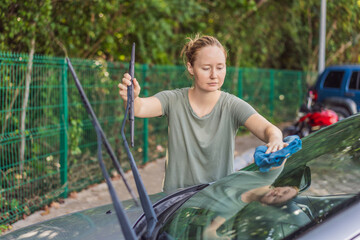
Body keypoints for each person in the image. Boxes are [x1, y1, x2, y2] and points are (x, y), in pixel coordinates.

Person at [118, 34, 288, 192]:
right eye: (206, 68)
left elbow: (269, 129)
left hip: (217, 204)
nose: (214, 75)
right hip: (175, 203)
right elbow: (139, 107)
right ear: (190, 67)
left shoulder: (232, 105)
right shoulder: (173, 100)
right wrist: (132, 97)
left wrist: (275, 139)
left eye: (220, 68)